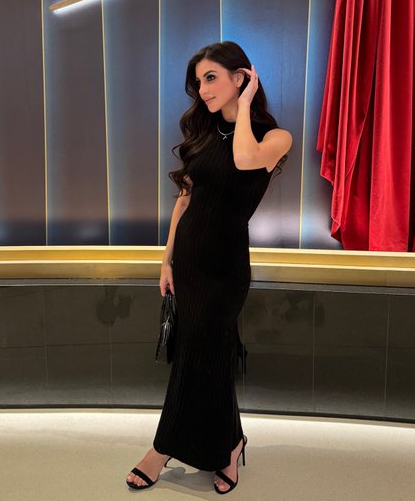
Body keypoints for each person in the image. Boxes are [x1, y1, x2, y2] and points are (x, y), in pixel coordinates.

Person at [125, 41, 292, 493]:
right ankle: (230, 445)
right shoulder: (204, 135)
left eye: (212, 77)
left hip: (225, 265)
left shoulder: (275, 138)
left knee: (201, 352)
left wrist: (246, 105)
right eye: (199, 82)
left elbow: (243, 160)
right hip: (189, 259)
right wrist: (166, 258)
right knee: (204, 354)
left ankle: (161, 450)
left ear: (241, 77)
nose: (202, 89)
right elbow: (185, 200)